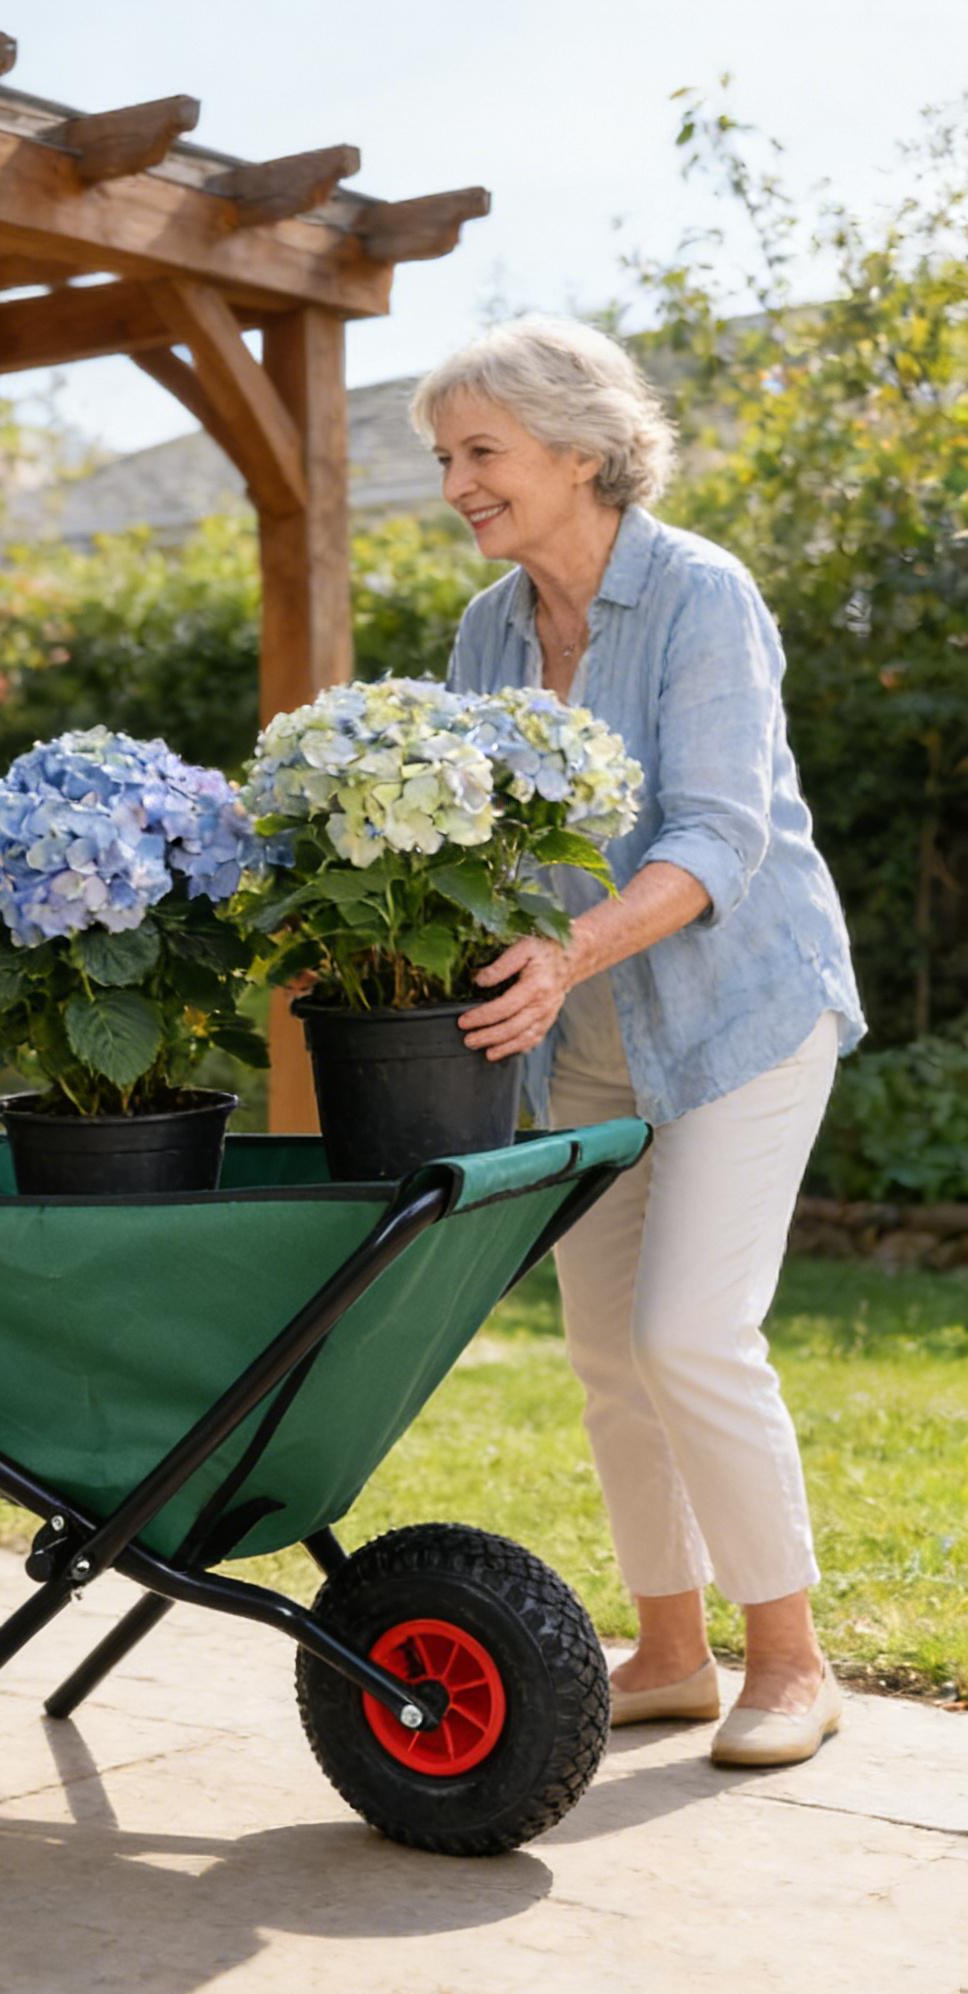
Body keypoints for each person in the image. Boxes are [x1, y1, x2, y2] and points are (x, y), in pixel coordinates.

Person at [413, 316, 864, 1767]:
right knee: (609, 1351)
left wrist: (568, 950)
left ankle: (789, 1661)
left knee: (692, 1332)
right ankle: (670, 1651)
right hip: (578, 1033)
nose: (458, 484)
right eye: (446, 459)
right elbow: (471, 842)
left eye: (482, 453)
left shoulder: (697, 593)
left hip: (737, 1013)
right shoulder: (488, 631)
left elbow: (719, 833)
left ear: (584, 451)